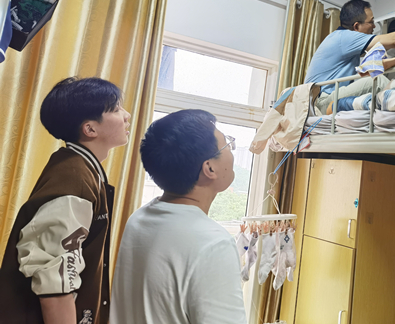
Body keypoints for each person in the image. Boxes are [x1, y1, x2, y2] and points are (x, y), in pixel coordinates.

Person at [0, 77, 131, 324]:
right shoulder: (75, 179)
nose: (127, 115)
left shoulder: (77, 168)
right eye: (116, 109)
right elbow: (55, 288)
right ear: (90, 129)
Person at [110, 109, 247, 324]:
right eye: (227, 145)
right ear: (209, 168)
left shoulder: (138, 220)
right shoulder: (213, 243)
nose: (231, 152)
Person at [305, 0, 395, 113]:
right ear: (356, 26)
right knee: (377, 80)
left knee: (378, 74)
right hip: (320, 102)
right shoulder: (345, 37)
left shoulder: (339, 38)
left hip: (318, 101)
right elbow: (394, 40)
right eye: (371, 22)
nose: (374, 26)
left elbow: (378, 47)